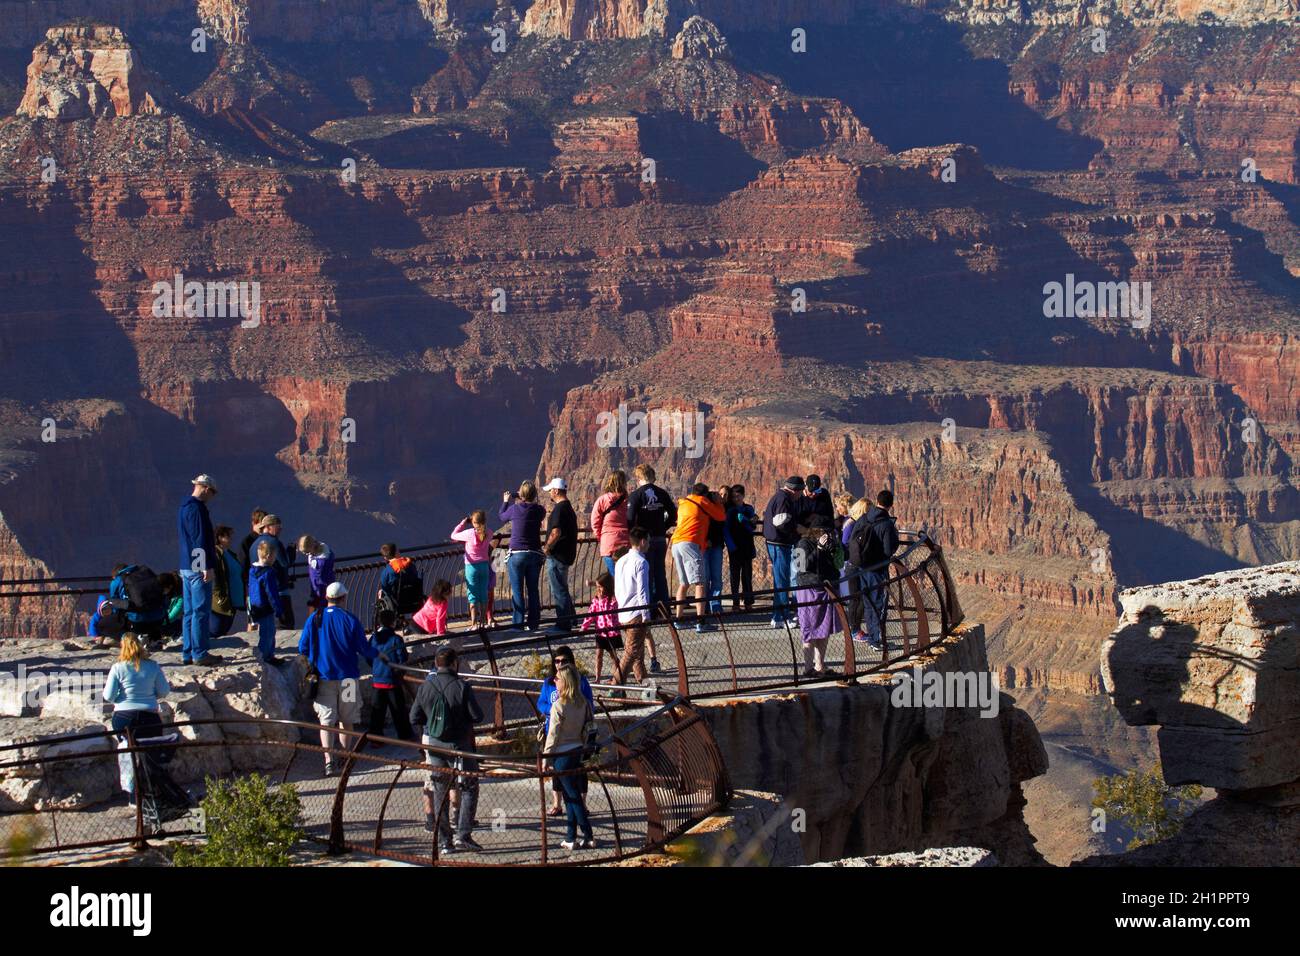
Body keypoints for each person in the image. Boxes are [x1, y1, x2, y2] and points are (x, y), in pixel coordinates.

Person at [409, 645, 483, 853]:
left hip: (435, 745)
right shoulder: (462, 687)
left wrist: (431, 721)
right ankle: (464, 834)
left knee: (440, 789)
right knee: (469, 786)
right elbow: (478, 716)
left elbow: (414, 717)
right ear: (454, 663)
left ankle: (444, 841)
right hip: (459, 745)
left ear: (436, 664)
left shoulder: (426, 687)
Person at [297, 581, 376, 776]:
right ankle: (346, 755)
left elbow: (303, 647)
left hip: (323, 678)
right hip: (348, 678)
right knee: (347, 719)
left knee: (326, 720)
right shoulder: (350, 619)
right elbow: (364, 648)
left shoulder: (315, 617)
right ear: (343, 598)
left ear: (327, 598)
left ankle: (328, 761)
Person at [537, 646, 594, 816]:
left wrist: (569, 710)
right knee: (557, 770)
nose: (559, 664)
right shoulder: (549, 683)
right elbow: (541, 703)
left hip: (576, 733)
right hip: (553, 730)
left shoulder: (580, 681)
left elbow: (589, 704)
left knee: (580, 770)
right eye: (557, 661)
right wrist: (553, 710)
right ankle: (557, 802)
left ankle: (581, 805)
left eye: (564, 661)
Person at [544, 664, 597, 851]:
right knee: (569, 796)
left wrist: (546, 757)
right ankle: (570, 836)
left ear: (565, 682)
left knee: (572, 797)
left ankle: (588, 834)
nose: (554, 681)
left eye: (557, 678)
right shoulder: (583, 702)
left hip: (562, 754)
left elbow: (553, 734)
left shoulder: (559, 705)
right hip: (578, 750)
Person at [848, 489, 901, 649]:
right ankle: (877, 640)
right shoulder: (886, 524)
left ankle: (873, 637)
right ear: (891, 505)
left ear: (877, 501)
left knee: (868, 603)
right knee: (878, 604)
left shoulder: (864, 518)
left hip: (861, 567)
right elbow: (888, 550)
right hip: (877, 570)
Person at [177, 474, 220, 665]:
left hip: (185, 565)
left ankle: (187, 653)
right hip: (196, 567)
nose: (211, 497)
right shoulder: (196, 509)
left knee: (189, 612)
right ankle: (200, 653)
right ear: (205, 488)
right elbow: (199, 539)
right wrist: (204, 567)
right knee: (200, 611)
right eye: (212, 493)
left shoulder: (183, 507)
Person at [670, 483, 725, 632]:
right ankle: (701, 622)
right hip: (690, 543)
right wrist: (718, 502)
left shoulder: (684, 502)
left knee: (684, 583)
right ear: (704, 495)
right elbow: (721, 516)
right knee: (700, 583)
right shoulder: (702, 501)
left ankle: (679, 620)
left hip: (675, 543)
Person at [626, 464, 677, 616]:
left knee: (645, 575)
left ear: (638, 477)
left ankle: (648, 611)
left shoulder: (636, 495)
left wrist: (636, 534)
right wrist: (663, 527)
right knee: (660, 574)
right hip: (660, 539)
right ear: (653, 476)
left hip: (643, 541)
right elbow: (673, 515)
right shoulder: (662, 493)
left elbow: (629, 519)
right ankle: (664, 610)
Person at [793, 515, 840, 678]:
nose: (827, 535)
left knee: (824, 629)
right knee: (809, 628)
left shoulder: (829, 543)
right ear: (816, 531)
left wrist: (836, 550)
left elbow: (839, 564)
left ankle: (820, 665)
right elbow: (801, 567)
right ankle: (808, 668)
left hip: (825, 588)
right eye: (825, 532)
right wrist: (819, 549)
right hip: (808, 590)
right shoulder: (802, 543)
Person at [498, 481, 546, 631]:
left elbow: (501, 517)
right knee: (533, 590)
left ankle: (518, 625)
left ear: (521, 494)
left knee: (518, 590)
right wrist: (526, 497)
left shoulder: (514, 509)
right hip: (535, 553)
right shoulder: (540, 510)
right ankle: (533, 624)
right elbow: (539, 511)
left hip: (517, 554)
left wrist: (506, 501)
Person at [102, 633, 170, 737]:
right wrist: (150, 696)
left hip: (123, 716)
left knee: (127, 747)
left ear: (122, 647)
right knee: (152, 748)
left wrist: (120, 699)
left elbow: (108, 696)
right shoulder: (153, 665)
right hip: (149, 716)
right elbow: (164, 691)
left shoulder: (117, 668)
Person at [762, 476, 805, 628]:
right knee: (782, 581)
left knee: (779, 580)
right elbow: (780, 521)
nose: (801, 495)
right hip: (779, 543)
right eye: (801, 491)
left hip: (775, 543)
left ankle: (778, 615)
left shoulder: (779, 497)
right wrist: (795, 530)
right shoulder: (784, 499)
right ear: (795, 490)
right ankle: (782, 617)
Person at [368, 608, 413, 741]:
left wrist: (375, 668)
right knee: (399, 711)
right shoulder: (396, 639)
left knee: (377, 712)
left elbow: (369, 657)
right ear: (393, 623)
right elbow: (402, 658)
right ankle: (405, 736)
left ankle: (375, 739)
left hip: (377, 679)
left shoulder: (374, 638)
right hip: (392, 680)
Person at [614, 528, 652, 684]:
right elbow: (642, 591)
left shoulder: (621, 560)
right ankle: (615, 683)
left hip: (623, 611)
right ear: (642, 541)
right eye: (648, 541)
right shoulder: (641, 562)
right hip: (636, 612)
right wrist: (646, 615)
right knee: (632, 652)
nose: (649, 544)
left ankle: (646, 687)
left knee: (638, 653)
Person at [542, 478, 578, 634]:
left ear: (556, 490)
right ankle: (572, 619)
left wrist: (547, 547)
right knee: (562, 587)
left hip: (558, 556)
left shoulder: (559, 509)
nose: (550, 492)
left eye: (551, 490)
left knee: (559, 590)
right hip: (566, 554)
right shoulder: (568, 507)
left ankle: (563, 625)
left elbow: (556, 532)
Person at [252, 514, 296, 629]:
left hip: (259, 592)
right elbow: (285, 563)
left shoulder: (254, 545)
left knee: (266, 626)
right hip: (278, 590)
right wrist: (291, 551)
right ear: (269, 526)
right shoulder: (274, 542)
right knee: (285, 624)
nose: (281, 528)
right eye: (278, 526)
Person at [108, 563, 167, 647]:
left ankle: (137, 637)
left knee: (123, 611)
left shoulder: (117, 581)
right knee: (150, 613)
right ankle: (155, 638)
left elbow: (115, 602)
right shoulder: (147, 574)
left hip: (137, 621)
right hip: (158, 618)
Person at [450, 511, 492, 628]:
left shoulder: (469, 533)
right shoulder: (489, 532)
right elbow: (484, 535)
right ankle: (483, 622)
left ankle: (474, 624)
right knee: (483, 593)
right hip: (484, 566)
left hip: (471, 567)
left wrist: (463, 523)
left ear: (473, 522)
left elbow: (453, 535)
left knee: (472, 594)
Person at [579, 572, 622, 682]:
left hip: (612, 632)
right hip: (600, 632)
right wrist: (584, 627)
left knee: (613, 656)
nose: (598, 589)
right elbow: (590, 615)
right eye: (597, 587)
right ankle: (597, 678)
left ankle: (617, 676)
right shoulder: (596, 601)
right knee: (598, 655)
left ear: (606, 587)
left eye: (600, 587)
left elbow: (613, 614)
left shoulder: (613, 600)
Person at [248, 540, 286, 664]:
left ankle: (267, 655)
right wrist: (279, 609)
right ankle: (266, 656)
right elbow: (272, 593)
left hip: (255, 605)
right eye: (274, 556)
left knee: (265, 631)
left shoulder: (252, 570)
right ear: (269, 556)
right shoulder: (268, 573)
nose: (275, 559)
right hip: (266, 606)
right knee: (269, 633)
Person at [589, 470, 630, 577]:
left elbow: (595, 522)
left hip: (609, 545)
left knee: (615, 578)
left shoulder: (602, 500)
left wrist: (601, 537)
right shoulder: (629, 501)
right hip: (626, 545)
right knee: (626, 579)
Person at [724, 484, 757, 610]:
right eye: (733, 497)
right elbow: (726, 529)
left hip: (747, 545)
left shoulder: (748, 509)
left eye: (738, 496)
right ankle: (735, 603)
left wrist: (747, 521)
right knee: (734, 576)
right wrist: (731, 546)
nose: (736, 499)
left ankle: (748, 602)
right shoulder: (730, 510)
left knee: (747, 575)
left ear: (743, 495)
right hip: (735, 547)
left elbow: (752, 527)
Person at [210, 525, 246, 638]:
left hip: (233, 599)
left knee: (225, 627)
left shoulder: (230, 554)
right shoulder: (216, 554)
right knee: (217, 629)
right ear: (220, 537)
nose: (230, 539)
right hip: (221, 599)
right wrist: (219, 595)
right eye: (228, 536)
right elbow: (215, 576)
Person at [377, 543, 425, 624]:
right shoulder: (411, 565)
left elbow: (385, 586)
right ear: (396, 553)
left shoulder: (387, 571)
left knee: (382, 592)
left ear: (385, 558)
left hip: (397, 601)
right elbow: (416, 577)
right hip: (414, 598)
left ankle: (393, 621)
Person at [841, 497, 870, 614]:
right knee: (855, 597)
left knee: (862, 595)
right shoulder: (851, 524)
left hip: (860, 562)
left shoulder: (860, 523)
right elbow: (845, 542)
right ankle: (853, 626)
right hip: (852, 563)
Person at [703, 490, 727, 614]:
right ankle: (705, 607)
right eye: (717, 495)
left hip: (717, 546)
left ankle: (716, 606)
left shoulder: (721, 509)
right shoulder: (706, 509)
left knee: (716, 577)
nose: (720, 497)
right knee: (706, 578)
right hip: (706, 546)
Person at [298, 535, 335, 611]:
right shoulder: (314, 555)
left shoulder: (322, 561)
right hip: (317, 592)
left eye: (307, 552)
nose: (306, 554)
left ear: (312, 546)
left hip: (323, 594)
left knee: (322, 617)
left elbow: (320, 579)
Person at [239, 508, 268, 574]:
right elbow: (243, 566)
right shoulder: (246, 542)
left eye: (265, 526)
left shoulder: (267, 539)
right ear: (253, 523)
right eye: (261, 526)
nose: (263, 528)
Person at [157, 573, 183, 640]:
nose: (161, 591)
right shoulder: (165, 592)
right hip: (164, 619)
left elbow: (172, 617)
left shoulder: (181, 597)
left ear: (170, 586)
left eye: (162, 589)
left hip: (177, 622)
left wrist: (155, 621)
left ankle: (177, 634)